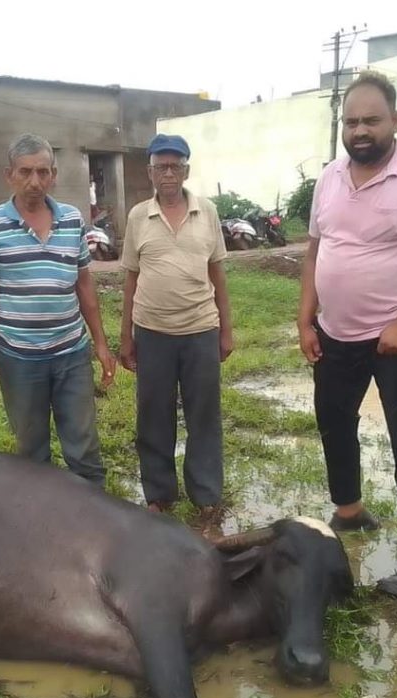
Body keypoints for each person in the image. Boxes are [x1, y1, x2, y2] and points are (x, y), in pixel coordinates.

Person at [298, 71, 397, 598]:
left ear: (394, 120)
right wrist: (306, 318)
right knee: (333, 422)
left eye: (371, 120)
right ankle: (349, 510)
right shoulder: (329, 178)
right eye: (351, 121)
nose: (360, 130)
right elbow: (315, 251)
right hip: (335, 335)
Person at [0, 134, 115, 486]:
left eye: (42, 172)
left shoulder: (71, 219)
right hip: (19, 358)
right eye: (25, 172)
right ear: (10, 175)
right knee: (32, 453)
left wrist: (100, 344)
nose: (34, 181)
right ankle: (42, 526)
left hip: (71, 351)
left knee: (84, 448)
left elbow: (83, 284)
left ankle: (93, 521)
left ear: (53, 174)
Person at [119, 134, 233, 524]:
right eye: (160, 166)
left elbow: (218, 272)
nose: (168, 173)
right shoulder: (138, 216)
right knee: (153, 415)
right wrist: (125, 338)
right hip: (151, 332)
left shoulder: (208, 212)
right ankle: (159, 495)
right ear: (149, 171)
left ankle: (205, 495)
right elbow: (131, 278)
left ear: (186, 169)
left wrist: (226, 329)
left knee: (204, 415)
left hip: (200, 329)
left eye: (175, 166)